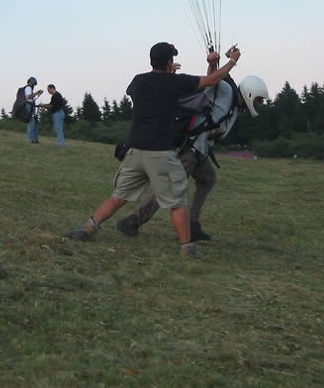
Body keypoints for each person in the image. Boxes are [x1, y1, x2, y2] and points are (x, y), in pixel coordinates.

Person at [66, 41, 242, 257]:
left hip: (134, 151)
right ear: (169, 62)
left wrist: (168, 75)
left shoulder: (138, 81)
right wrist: (231, 61)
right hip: (159, 152)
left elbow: (150, 87)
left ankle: (89, 226)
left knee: (119, 196)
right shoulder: (175, 83)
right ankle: (187, 247)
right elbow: (211, 82)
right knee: (177, 200)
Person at [116, 50, 269, 242]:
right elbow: (212, 81)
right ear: (249, 93)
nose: (259, 104)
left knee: (208, 179)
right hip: (190, 149)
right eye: (258, 100)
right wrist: (217, 63)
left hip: (200, 152)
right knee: (172, 189)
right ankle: (133, 220)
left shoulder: (235, 109)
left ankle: (193, 223)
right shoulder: (228, 92)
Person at [23, 77, 44, 143]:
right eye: (33, 84)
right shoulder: (28, 88)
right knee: (31, 123)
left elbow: (31, 98)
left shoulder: (29, 89)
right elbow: (29, 97)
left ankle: (35, 139)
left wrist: (38, 94)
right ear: (31, 82)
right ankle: (31, 139)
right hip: (29, 106)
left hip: (31, 105)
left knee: (34, 123)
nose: (33, 85)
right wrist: (36, 93)